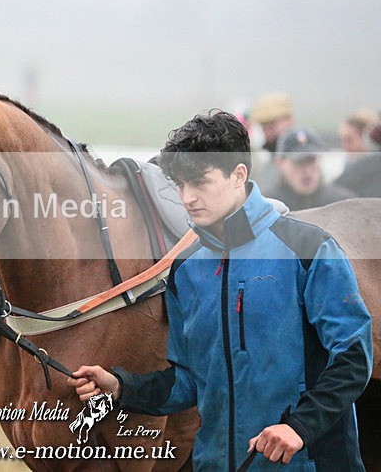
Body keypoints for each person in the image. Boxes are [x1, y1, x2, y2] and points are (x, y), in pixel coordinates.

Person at [68, 111, 373, 470]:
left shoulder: (309, 248)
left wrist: (300, 428)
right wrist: (121, 387)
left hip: (309, 461)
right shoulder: (185, 269)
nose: (188, 197)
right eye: (180, 184)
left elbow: (354, 358)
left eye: (200, 182)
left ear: (238, 175)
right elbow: (189, 382)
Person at [263, 127, 356, 211]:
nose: (307, 171)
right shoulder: (266, 207)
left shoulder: (341, 203)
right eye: (299, 163)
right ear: (280, 163)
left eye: (311, 162)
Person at [248, 91, 296, 189]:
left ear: (289, 120)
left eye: (272, 125)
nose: (268, 132)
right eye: (264, 127)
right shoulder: (264, 168)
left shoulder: (307, 161)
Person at [335, 113, 381, 198]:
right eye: (343, 140)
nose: (345, 146)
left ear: (366, 138)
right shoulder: (348, 169)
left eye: (349, 140)